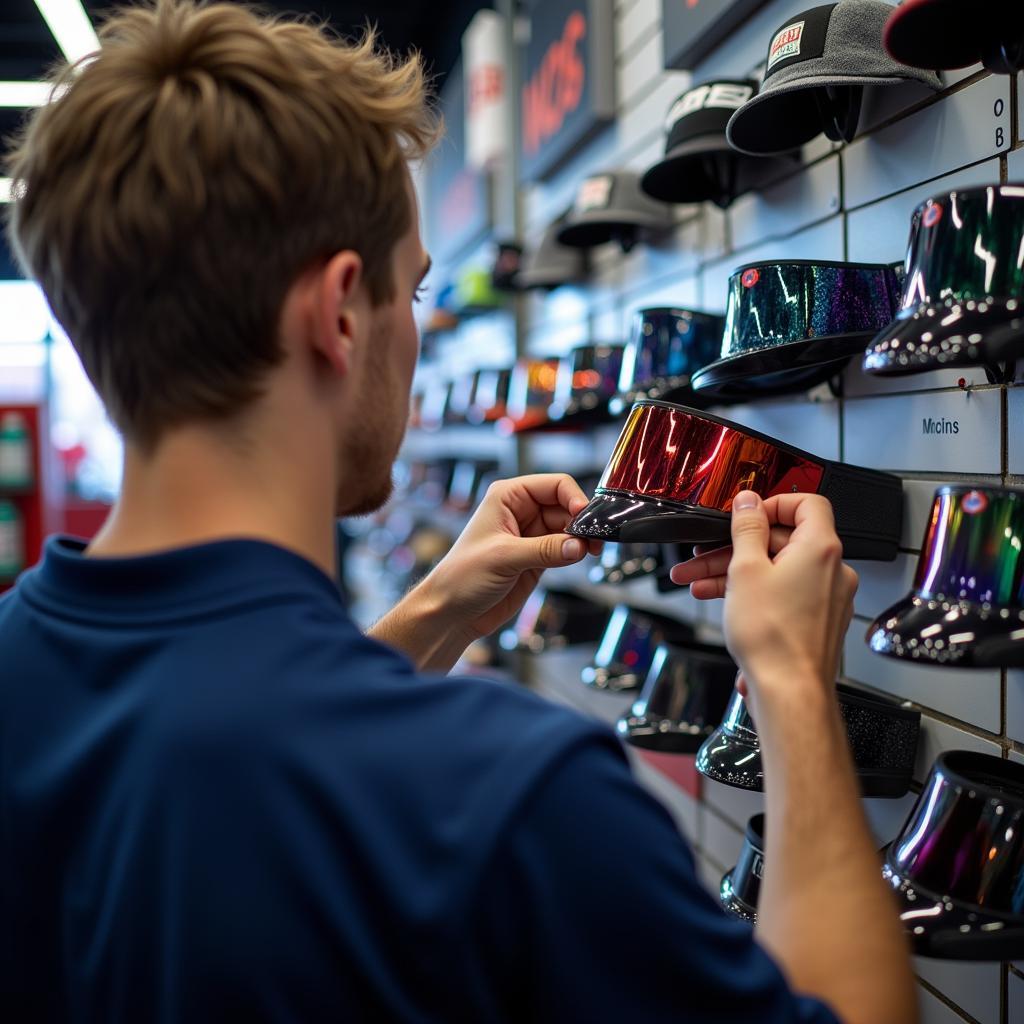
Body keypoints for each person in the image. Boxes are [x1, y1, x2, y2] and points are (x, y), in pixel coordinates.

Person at [0, 2, 917, 1022]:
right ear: (341, 312)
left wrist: (432, 613)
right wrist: (792, 687)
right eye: (415, 294)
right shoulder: (509, 801)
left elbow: (207, 765)